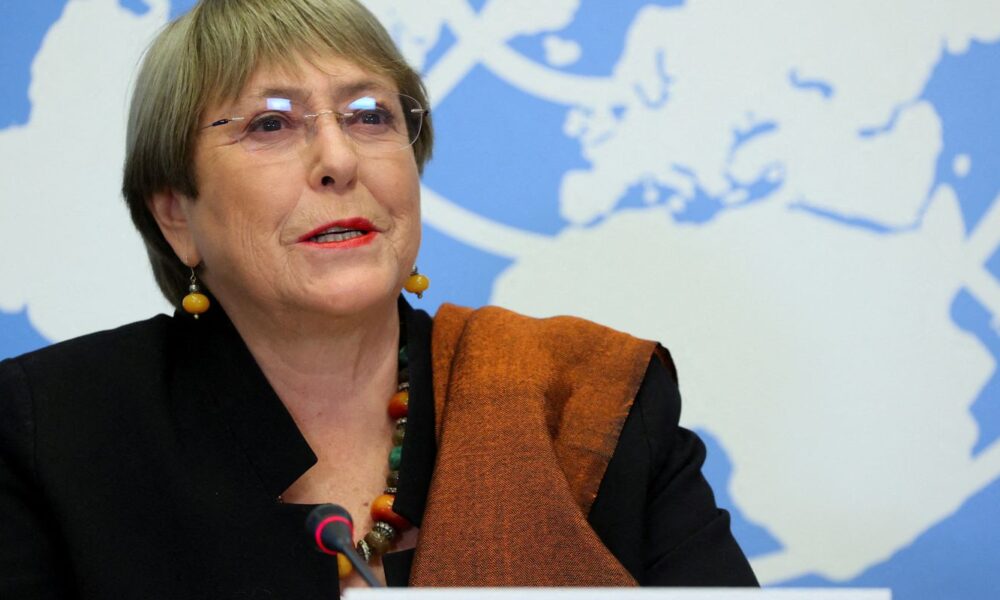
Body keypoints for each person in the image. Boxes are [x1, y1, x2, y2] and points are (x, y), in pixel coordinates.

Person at [0, 0, 758, 597]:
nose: (338, 158)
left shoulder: (588, 401)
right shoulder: (51, 433)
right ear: (176, 214)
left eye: (370, 116)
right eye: (271, 123)